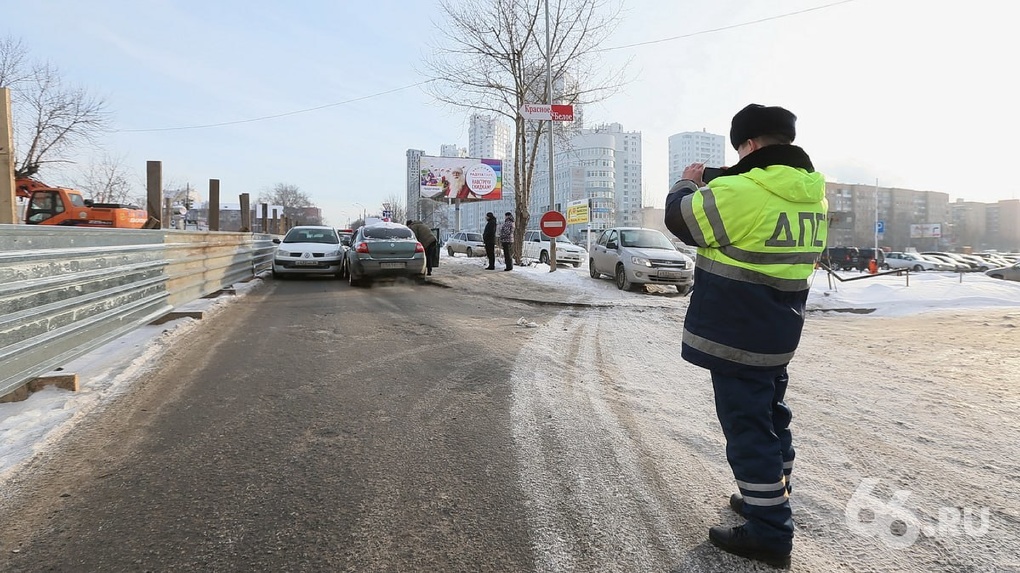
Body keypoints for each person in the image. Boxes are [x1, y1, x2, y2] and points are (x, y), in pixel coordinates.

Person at [663, 103, 828, 569]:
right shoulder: (813, 195)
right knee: (773, 417)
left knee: (747, 430)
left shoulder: (739, 190)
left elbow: (681, 220)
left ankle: (769, 532)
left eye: (740, 150)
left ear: (750, 145)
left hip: (737, 336)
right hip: (780, 332)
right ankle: (770, 500)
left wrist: (688, 181)